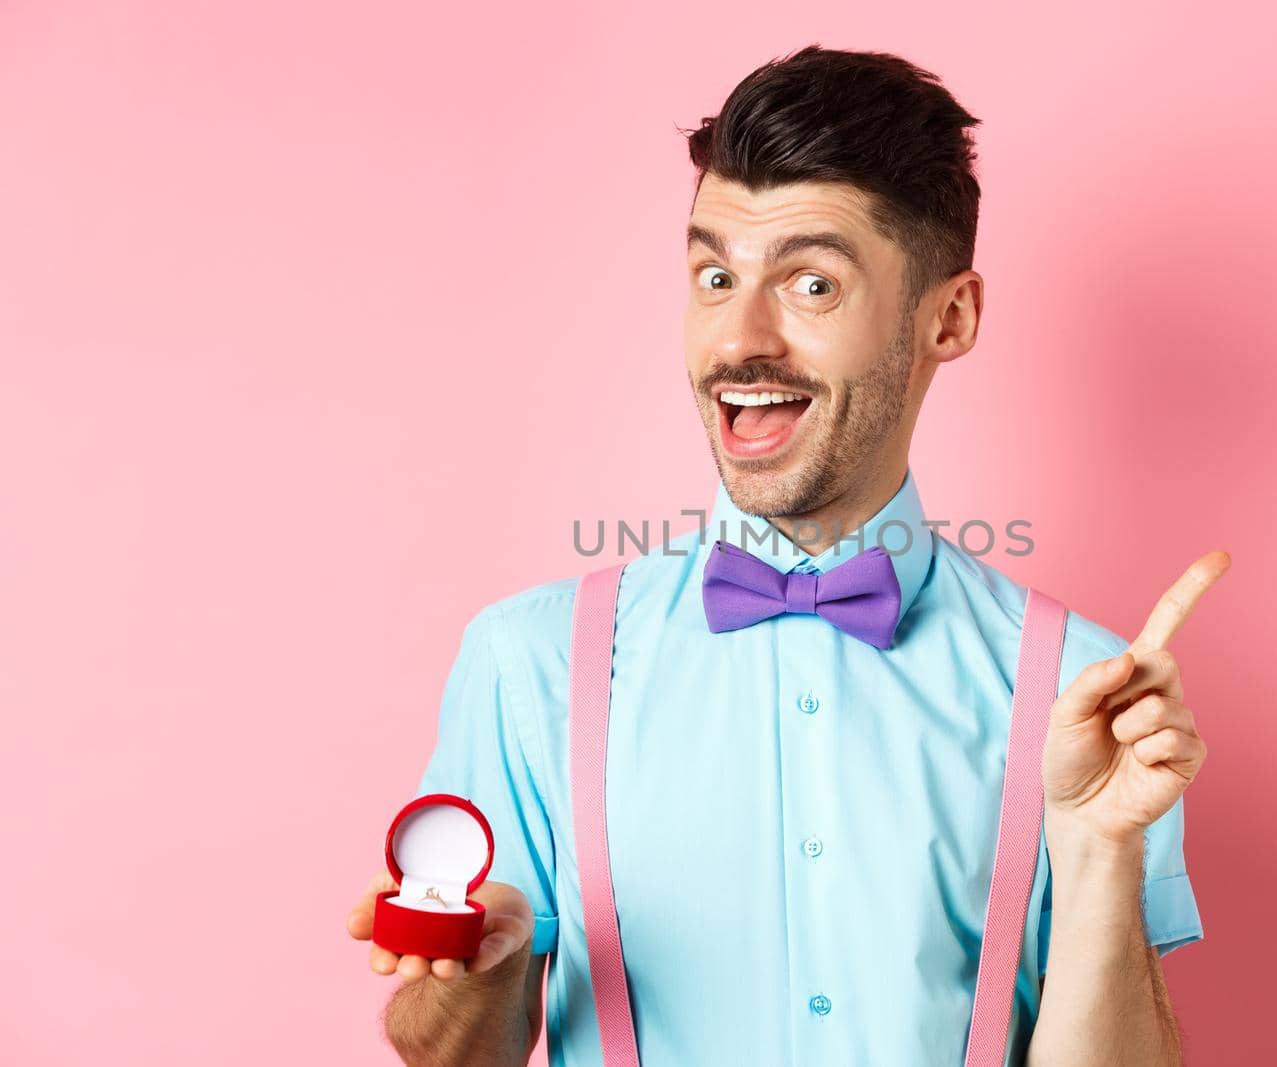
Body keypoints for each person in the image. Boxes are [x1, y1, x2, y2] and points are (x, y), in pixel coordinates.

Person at [346, 43, 1226, 1066]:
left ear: (948, 317)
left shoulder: (1087, 692)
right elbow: (452, 1053)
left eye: (811, 283)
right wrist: (481, 963)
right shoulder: (528, 660)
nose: (737, 338)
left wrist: (1099, 845)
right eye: (715, 274)